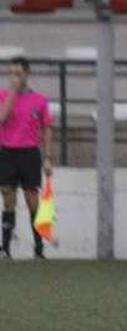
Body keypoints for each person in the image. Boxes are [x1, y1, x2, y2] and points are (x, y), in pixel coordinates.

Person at [0, 56, 55, 259]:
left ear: (27, 75)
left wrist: (48, 157)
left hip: (29, 152)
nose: (14, 77)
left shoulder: (39, 100)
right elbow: (2, 118)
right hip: (6, 151)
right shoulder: (3, 95)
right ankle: (5, 248)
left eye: (18, 74)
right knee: (8, 198)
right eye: (11, 73)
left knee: (32, 199)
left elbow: (47, 128)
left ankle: (39, 248)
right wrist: (13, 93)